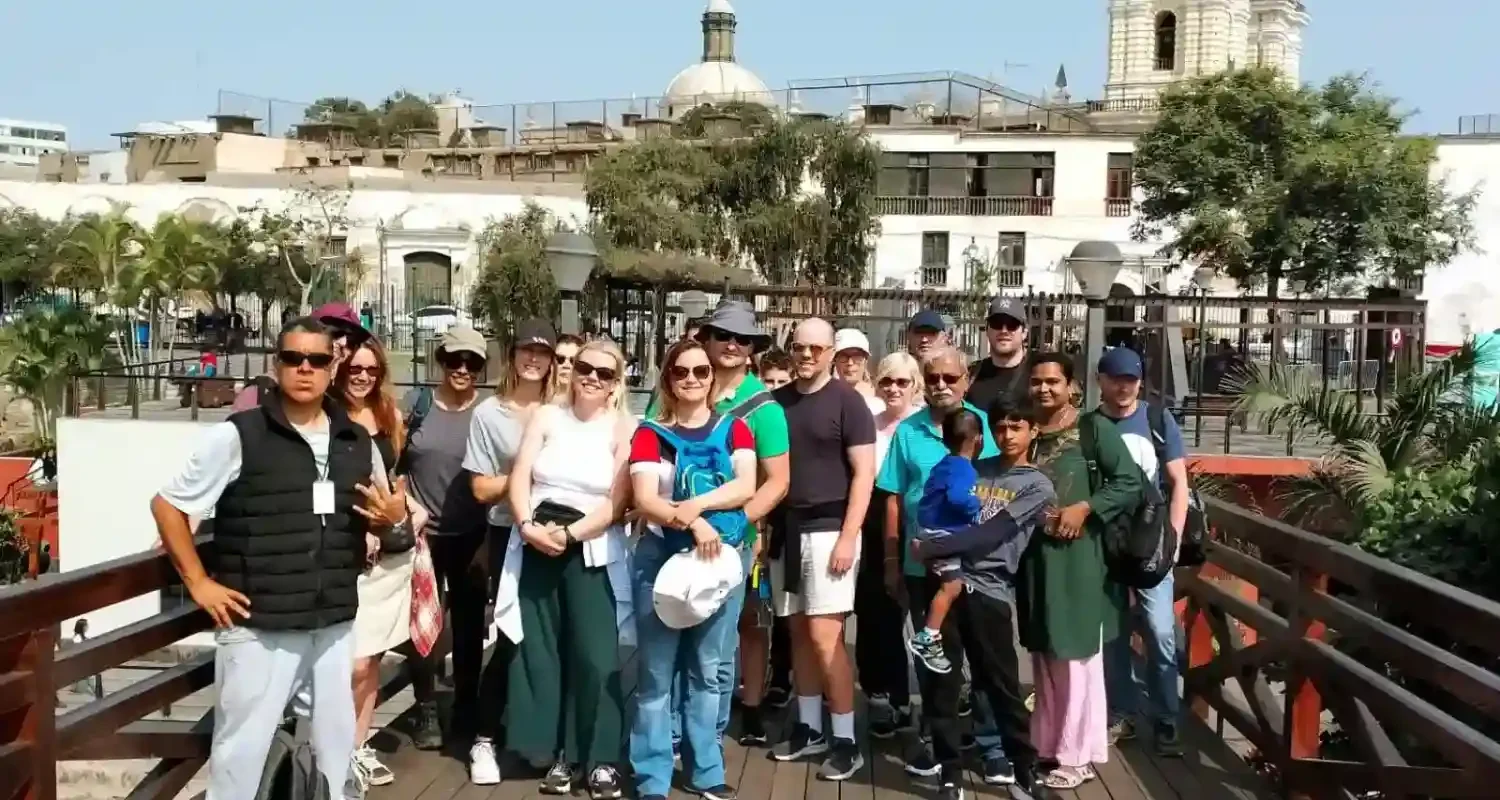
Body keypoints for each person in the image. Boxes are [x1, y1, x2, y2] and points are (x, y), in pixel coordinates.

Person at [148, 316, 408, 800]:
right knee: (239, 759)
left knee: (334, 756)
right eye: (293, 358)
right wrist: (199, 582)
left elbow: (380, 513)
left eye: (316, 360)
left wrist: (388, 517)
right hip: (259, 627)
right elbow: (168, 505)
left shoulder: (355, 440)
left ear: (334, 366)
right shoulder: (240, 435)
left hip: (332, 624)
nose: (304, 369)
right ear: (277, 365)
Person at [501, 339, 635, 800]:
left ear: (617, 383)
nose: (592, 377)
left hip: (591, 543)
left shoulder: (623, 426)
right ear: (572, 370)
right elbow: (520, 475)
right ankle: (560, 754)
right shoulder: (545, 416)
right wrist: (526, 524)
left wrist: (573, 534)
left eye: (604, 372)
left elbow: (620, 499)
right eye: (584, 367)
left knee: (596, 656)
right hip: (536, 537)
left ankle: (599, 759)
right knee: (542, 650)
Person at [629, 339, 759, 800]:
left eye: (700, 372)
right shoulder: (649, 433)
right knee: (657, 674)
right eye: (681, 372)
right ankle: (652, 777)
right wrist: (694, 521)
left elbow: (746, 485)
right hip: (661, 560)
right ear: (668, 379)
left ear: (712, 378)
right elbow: (645, 498)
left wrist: (696, 507)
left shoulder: (734, 429)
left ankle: (706, 769)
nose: (691, 379)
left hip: (717, 563)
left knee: (708, 669)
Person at [658, 303, 790, 750]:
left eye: (743, 339)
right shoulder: (683, 388)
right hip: (674, 536)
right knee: (676, 636)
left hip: (735, 542)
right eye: (722, 336)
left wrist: (737, 525)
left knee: (724, 643)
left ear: (752, 350)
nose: (732, 345)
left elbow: (778, 481)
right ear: (706, 339)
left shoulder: (764, 408)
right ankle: (675, 734)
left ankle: (710, 737)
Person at [911, 395, 1052, 799]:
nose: (1007, 434)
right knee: (942, 683)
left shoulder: (1035, 485)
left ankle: (1024, 769)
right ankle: (949, 772)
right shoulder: (972, 468)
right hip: (945, 587)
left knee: (1001, 685)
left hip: (988, 589)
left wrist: (931, 547)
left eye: (1016, 426)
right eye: (1000, 427)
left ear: (1032, 430)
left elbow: (990, 534)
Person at [876, 347, 1006, 781]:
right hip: (922, 567)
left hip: (980, 566)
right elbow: (893, 497)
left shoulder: (985, 425)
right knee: (935, 659)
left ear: (966, 379)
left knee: (986, 659)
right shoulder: (908, 431)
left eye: (950, 378)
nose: (941, 386)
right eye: (933, 378)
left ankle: (990, 744)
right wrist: (892, 560)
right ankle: (939, 741)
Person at [1019, 353, 1144, 791]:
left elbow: (1129, 482)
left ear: (1071, 385)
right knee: (1044, 653)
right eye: (1036, 382)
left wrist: (1087, 508)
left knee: (1076, 658)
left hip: (1079, 559)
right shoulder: (1025, 431)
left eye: (1053, 381)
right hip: (1034, 558)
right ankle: (1048, 745)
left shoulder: (1093, 429)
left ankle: (1078, 754)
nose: (1043, 389)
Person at [766, 318, 876, 781]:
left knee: (825, 636)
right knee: (796, 635)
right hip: (785, 531)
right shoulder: (777, 402)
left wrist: (849, 536)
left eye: (816, 347)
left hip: (831, 529)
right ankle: (809, 728)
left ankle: (846, 738)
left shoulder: (849, 403)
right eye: (799, 347)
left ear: (831, 351)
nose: (806, 355)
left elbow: (864, 474)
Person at [461, 318, 558, 784]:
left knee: (558, 636)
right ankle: (484, 738)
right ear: (512, 355)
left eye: (543, 352)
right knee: (510, 635)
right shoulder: (488, 413)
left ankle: (549, 736)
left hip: (564, 535)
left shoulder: (564, 406)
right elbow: (480, 488)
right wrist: (527, 475)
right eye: (526, 351)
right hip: (508, 534)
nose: (534, 360)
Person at [337, 337, 425, 797]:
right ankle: (333, 749)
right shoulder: (329, 414)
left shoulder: (388, 414)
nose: (363, 375)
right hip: (343, 548)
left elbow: (393, 477)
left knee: (368, 658)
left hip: (387, 553)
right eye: (354, 367)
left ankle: (357, 745)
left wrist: (408, 508)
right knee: (348, 663)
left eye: (371, 368)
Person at [397, 325, 489, 756]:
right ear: (441, 361)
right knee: (423, 628)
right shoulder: (415, 406)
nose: (463, 368)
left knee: (470, 628)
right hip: (423, 536)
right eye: (454, 359)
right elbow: (394, 463)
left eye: (472, 362)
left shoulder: (487, 414)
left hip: (473, 534)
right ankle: (426, 706)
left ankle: (467, 708)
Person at [1094, 347, 1190, 757]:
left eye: (1131, 379)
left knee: (1161, 632)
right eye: (1116, 378)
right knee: (1112, 635)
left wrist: (1174, 537)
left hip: (1152, 540)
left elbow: (1178, 482)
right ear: (1100, 380)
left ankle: (1168, 718)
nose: (1123, 386)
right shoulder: (1090, 426)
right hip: (1105, 543)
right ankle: (1123, 713)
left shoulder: (1156, 418)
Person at [856, 352, 922, 739]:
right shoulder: (868, 425)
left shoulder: (924, 428)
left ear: (916, 387)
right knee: (874, 614)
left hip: (914, 525)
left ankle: (919, 700)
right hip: (871, 525)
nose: (894, 389)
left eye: (902, 382)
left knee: (920, 619)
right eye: (887, 382)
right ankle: (880, 695)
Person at [907, 408, 986, 675]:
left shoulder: (943, 464)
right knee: (951, 587)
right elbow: (957, 498)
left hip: (927, 532)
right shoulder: (963, 469)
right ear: (978, 440)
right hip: (943, 536)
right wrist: (978, 504)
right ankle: (928, 636)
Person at [232, 302, 370, 412]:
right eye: (335, 334)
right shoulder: (260, 395)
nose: (343, 343)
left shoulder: (351, 396)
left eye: (352, 341)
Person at [966, 296, 1031, 412]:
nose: (1004, 331)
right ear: (987, 330)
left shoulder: (1038, 373)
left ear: (1024, 333)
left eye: (1012, 324)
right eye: (997, 324)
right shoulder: (970, 375)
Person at [832, 328, 882, 414]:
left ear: (865, 360)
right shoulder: (825, 396)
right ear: (834, 360)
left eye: (857, 357)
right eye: (843, 357)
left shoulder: (880, 395)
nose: (850, 363)